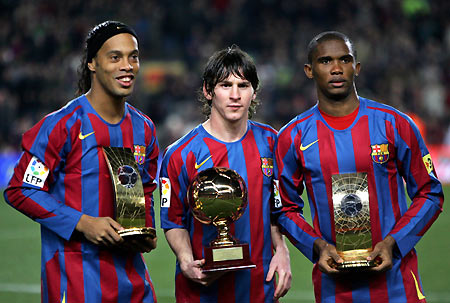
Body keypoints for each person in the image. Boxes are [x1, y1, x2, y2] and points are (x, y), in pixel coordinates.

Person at [273, 31, 444, 303]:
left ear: (357, 67)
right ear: (309, 70)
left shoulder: (394, 124)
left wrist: (394, 243)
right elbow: (284, 208)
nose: (337, 68)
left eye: (345, 59)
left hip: (398, 285)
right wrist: (317, 247)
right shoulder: (292, 136)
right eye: (325, 61)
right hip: (334, 288)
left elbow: (430, 192)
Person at [3, 21, 159, 302]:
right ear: (92, 64)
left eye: (133, 57)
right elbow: (21, 190)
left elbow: (145, 187)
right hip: (75, 282)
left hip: (134, 283)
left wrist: (146, 229)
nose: (127, 65)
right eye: (115, 57)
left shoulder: (144, 128)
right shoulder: (63, 125)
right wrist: (83, 223)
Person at [159, 45, 292, 302]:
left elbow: (277, 209)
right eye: (225, 85)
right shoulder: (180, 154)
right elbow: (173, 220)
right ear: (208, 91)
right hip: (201, 292)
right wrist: (186, 260)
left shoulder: (272, 143)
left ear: (254, 93)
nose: (235, 95)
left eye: (243, 86)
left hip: (259, 289)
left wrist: (282, 250)